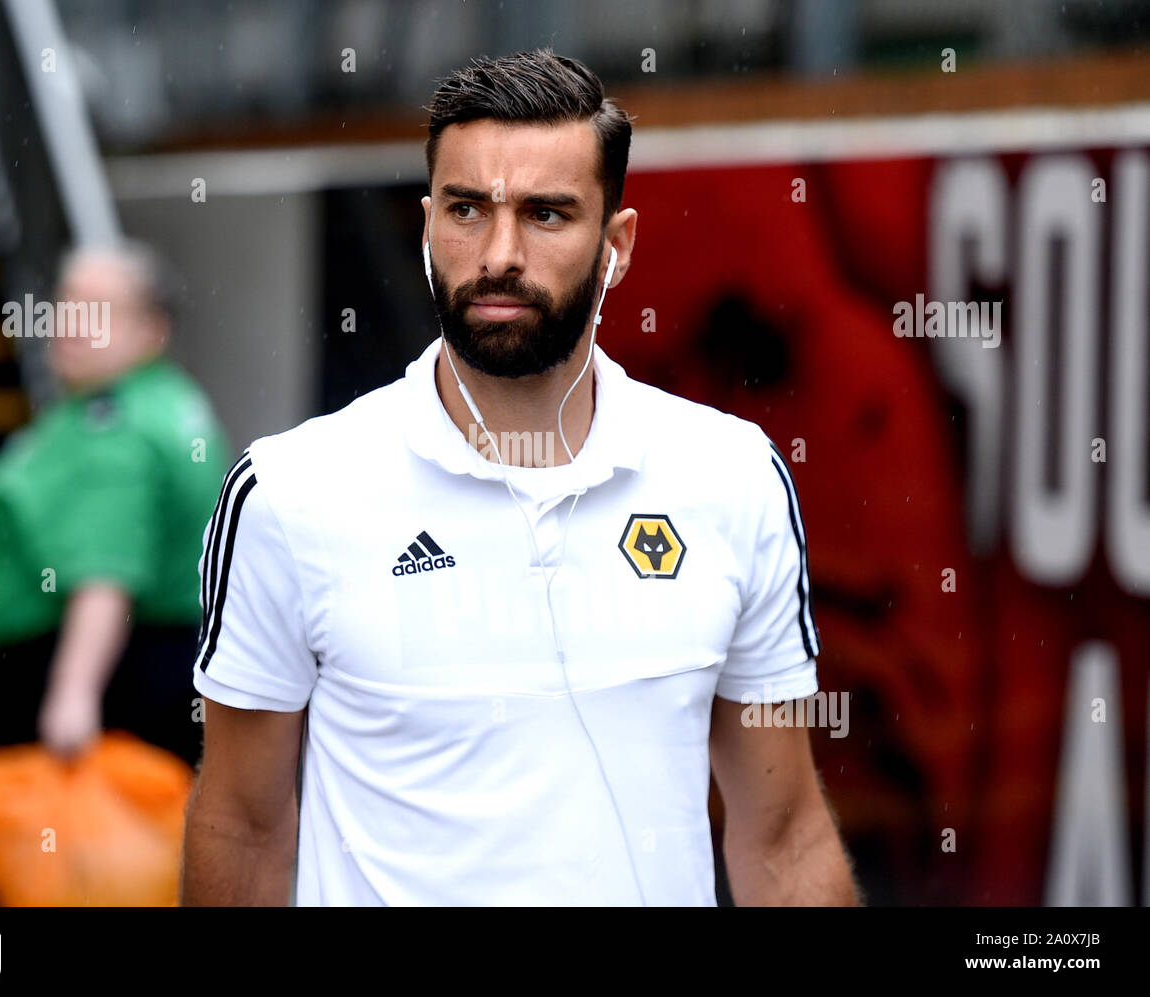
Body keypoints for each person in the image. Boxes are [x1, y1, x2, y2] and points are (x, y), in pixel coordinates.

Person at [182, 49, 859, 906]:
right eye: (467, 209)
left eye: (546, 214)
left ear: (616, 246)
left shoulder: (730, 477)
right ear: (429, 225)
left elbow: (785, 836)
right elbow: (243, 827)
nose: (499, 254)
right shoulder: (290, 492)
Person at [0, 240, 231, 904]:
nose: (71, 322)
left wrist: (71, 695)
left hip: (69, 685)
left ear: (151, 329)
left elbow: (105, 575)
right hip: (149, 676)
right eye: (66, 303)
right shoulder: (171, 404)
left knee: (25, 876)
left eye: (99, 309)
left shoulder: (115, 426)